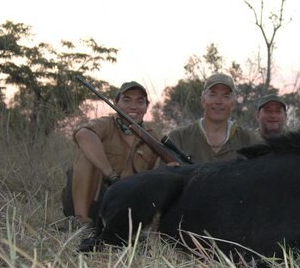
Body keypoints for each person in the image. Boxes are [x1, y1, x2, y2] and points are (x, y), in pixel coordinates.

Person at [62, 81, 160, 226]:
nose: (133, 106)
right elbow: (83, 134)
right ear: (116, 103)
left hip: (123, 207)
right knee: (87, 158)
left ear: (146, 107)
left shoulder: (152, 138)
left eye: (140, 101)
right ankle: (81, 221)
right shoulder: (105, 124)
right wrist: (111, 175)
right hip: (93, 200)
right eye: (126, 100)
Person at [166, 73, 259, 163]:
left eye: (226, 96)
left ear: (233, 104)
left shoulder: (248, 140)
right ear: (203, 100)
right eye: (213, 95)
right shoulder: (178, 139)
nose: (218, 101)